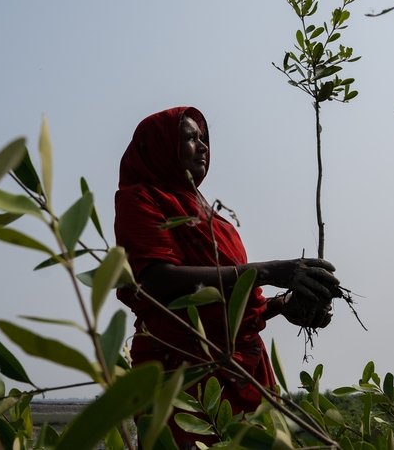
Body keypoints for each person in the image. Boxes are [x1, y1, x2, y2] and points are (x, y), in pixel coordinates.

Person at [114, 106, 339, 447]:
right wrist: (269, 271)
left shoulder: (215, 218)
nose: (203, 146)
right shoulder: (140, 198)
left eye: (204, 138)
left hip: (245, 373)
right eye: (190, 138)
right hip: (184, 376)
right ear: (160, 147)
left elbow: (229, 303)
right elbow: (157, 280)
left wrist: (284, 305)